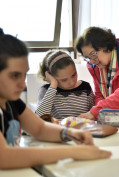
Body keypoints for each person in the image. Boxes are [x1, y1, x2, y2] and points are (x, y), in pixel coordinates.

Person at [0, 28, 111, 169]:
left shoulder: (12, 102)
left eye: (24, 74)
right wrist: (73, 152)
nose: (22, 84)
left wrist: (70, 133)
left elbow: (39, 128)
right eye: (15, 75)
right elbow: (4, 157)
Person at [35, 49, 94, 120]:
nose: (72, 82)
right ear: (52, 76)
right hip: (59, 130)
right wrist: (53, 84)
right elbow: (39, 117)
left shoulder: (85, 87)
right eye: (64, 80)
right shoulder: (47, 90)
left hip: (83, 130)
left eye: (74, 75)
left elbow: (93, 113)